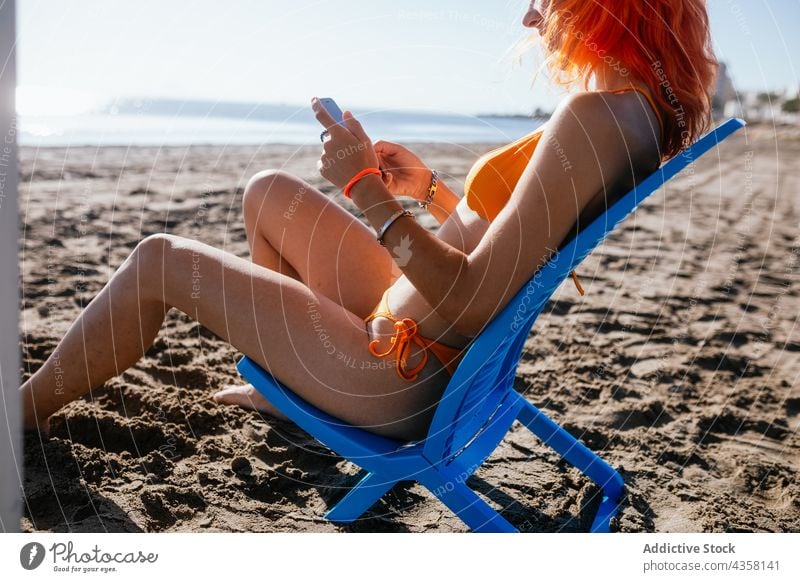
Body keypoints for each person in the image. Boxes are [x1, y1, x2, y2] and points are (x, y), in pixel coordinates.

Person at [20, 0, 717, 442]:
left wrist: (365, 189)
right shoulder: (636, 114)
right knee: (268, 191)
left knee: (158, 258)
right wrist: (432, 194)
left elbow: (474, 302)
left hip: (397, 370)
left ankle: (15, 417)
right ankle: (292, 389)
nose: (534, 20)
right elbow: (518, 246)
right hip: (407, 326)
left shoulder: (598, 119)